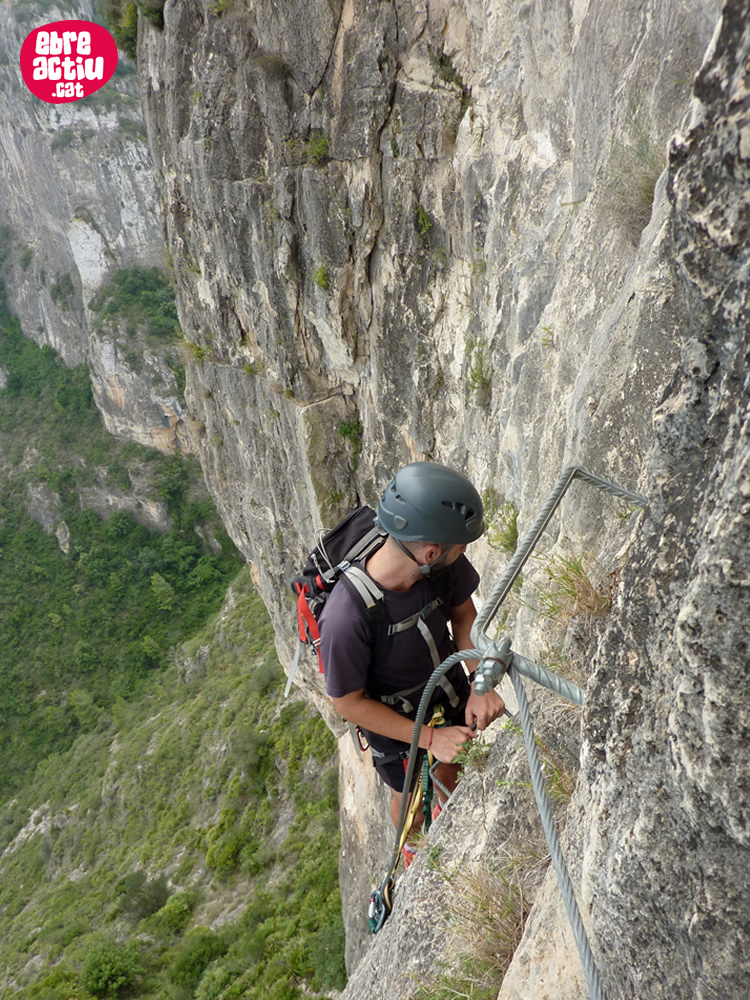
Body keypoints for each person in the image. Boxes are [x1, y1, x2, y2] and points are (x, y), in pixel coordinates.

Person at [319, 462, 505, 847]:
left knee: (452, 768)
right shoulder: (345, 618)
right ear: (430, 552)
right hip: (396, 723)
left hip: (449, 689)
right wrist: (429, 738)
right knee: (408, 800)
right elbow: (348, 703)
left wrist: (479, 682)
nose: (464, 552)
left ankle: (458, 830)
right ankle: (412, 848)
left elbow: (463, 615)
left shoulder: (438, 564)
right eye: (461, 546)